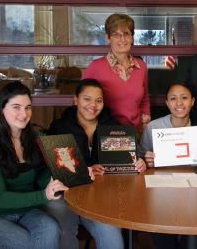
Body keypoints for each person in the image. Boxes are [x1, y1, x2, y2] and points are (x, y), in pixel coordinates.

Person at [45, 78, 146, 249]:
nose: (93, 105)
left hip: (101, 196)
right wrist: (85, 170)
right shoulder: (59, 127)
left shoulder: (113, 126)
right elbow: (53, 167)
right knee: (64, 233)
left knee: (112, 236)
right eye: (87, 99)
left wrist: (139, 162)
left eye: (98, 100)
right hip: (65, 194)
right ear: (75, 100)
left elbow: (129, 160)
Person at [0, 81, 66, 248]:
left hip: (28, 212)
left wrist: (73, 171)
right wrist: (43, 195)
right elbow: (0, 198)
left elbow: (44, 176)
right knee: (29, 243)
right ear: (2, 109)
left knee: (52, 228)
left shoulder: (37, 137)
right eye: (16, 107)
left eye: (28, 107)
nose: (24, 113)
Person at [139, 83, 197, 249]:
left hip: (194, 191)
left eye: (184, 98)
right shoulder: (153, 127)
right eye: (173, 98)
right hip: (161, 190)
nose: (179, 103)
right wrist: (146, 161)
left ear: (192, 101)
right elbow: (140, 158)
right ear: (167, 103)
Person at [82, 13, 151, 134]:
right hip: (106, 133)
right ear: (108, 38)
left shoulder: (141, 67)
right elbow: (80, 100)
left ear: (132, 37)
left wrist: (145, 120)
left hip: (136, 132)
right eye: (116, 35)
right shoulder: (96, 66)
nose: (122, 39)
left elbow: (144, 98)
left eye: (126, 34)